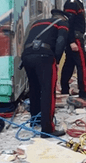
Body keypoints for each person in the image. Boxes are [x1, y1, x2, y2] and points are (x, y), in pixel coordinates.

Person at [21, 9, 70, 138]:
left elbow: (26, 39)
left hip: (27, 56)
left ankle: (35, 120)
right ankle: (47, 128)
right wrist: (57, 60)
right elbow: (61, 41)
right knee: (48, 91)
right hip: (44, 56)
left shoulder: (37, 23)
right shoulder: (62, 23)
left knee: (34, 89)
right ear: (63, 18)